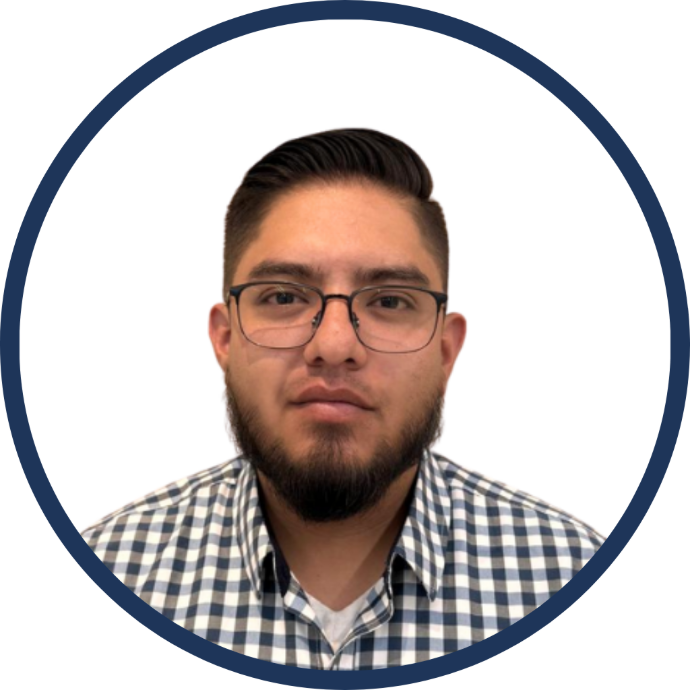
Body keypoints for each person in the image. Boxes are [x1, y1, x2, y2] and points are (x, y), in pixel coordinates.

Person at [82, 129, 603, 670]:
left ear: (445, 351)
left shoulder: (577, 579)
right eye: (283, 296)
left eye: (390, 301)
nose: (333, 346)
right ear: (226, 339)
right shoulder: (103, 575)